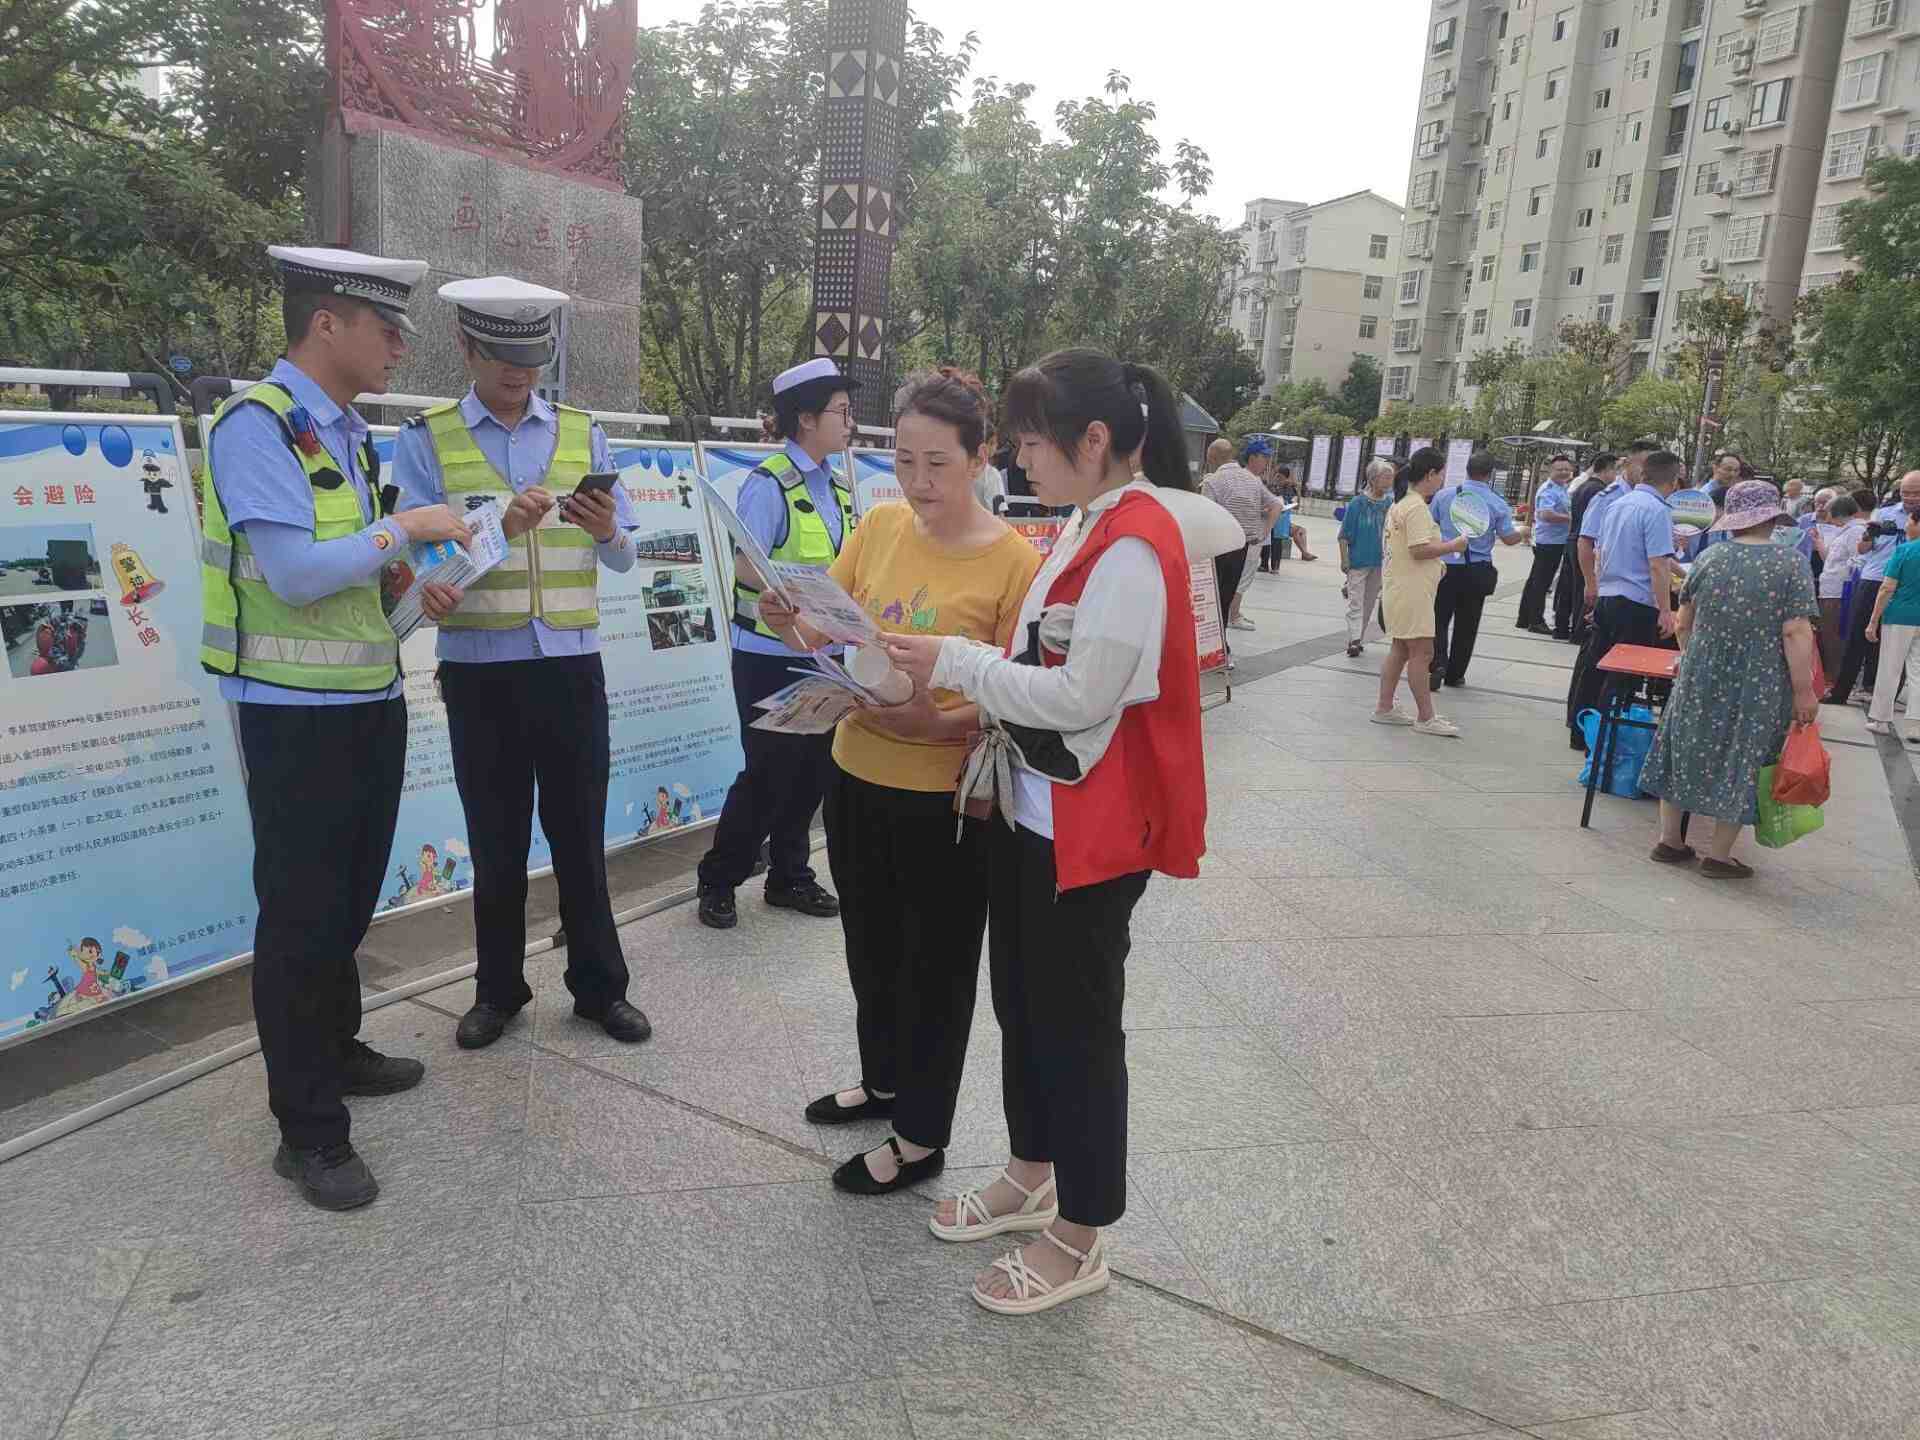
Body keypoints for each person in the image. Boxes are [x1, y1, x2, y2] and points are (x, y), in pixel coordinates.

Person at [879, 348, 1205, 1316]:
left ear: (1092, 440)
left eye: (1029, 443)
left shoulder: (1134, 544)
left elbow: (1079, 697)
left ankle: (1082, 1231)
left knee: (1078, 1031)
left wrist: (957, 660)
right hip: (1036, 814)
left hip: (1089, 833)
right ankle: (1032, 1172)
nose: (1019, 460)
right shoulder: (1088, 522)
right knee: (1025, 1007)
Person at [199, 245, 470, 1211]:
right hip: (292, 717)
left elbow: (351, 578)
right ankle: (307, 1130)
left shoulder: (346, 434)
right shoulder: (257, 426)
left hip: (368, 699)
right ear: (326, 324)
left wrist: (414, 589)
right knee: (300, 919)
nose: (399, 347)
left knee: (348, 902)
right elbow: (294, 574)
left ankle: (335, 1048)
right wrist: (408, 528)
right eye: (385, 329)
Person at [755, 372, 1041, 1194]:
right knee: (869, 946)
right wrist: (789, 619)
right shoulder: (879, 524)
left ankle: (920, 1136)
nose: (918, 482)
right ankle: (883, 1081)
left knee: (935, 967)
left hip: (944, 802)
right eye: (905, 461)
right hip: (855, 772)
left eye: (938, 463)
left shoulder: (1016, 564)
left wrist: (935, 726)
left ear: (981, 458)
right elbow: (827, 624)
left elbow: (1021, 697)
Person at [392, 277, 652, 1051]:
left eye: (534, 357)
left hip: (571, 666)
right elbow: (413, 557)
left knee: (580, 837)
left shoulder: (582, 432)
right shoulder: (427, 438)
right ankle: (497, 991)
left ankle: (601, 989)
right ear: (466, 348)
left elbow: (625, 555)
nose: (521, 372)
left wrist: (605, 531)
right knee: (496, 840)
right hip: (480, 671)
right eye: (504, 356)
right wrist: (491, 530)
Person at [695, 358, 857, 929]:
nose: (850, 423)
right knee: (767, 774)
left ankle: (790, 876)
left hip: (827, 654)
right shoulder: (768, 483)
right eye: (841, 412)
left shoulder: (838, 486)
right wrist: (791, 590)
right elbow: (746, 563)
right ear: (806, 419)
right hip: (769, 656)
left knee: (813, 772)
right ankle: (719, 878)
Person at [1641, 481, 1821, 878]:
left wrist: (1693, 657)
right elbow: (1796, 631)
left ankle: (1670, 841)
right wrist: (1804, 690)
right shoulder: (1791, 563)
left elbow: (1683, 622)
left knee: (1684, 746)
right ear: (1773, 518)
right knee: (1746, 756)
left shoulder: (1709, 558)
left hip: (1700, 673)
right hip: (1760, 682)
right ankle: (1718, 857)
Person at [1566, 449, 1685, 753]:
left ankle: (1582, 734)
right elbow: (1657, 565)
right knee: (1622, 679)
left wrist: (1599, 587)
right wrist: (1665, 610)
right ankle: (1604, 744)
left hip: (1609, 598)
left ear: (1644, 474)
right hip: (1636, 603)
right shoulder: (1656, 510)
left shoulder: (1618, 504)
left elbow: (1601, 552)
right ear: (1673, 482)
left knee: (1596, 670)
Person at [1372, 446, 1467, 736]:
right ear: (1430, 474)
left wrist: (1438, 564)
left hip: (1400, 588)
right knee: (1422, 652)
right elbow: (1418, 549)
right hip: (1411, 592)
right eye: (1441, 474)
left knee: (1401, 648)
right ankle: (1426, 717)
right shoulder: (1415, 508)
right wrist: (1453, 546)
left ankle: (1385, 706)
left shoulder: (1402, 504)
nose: (1442, 480)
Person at [1427, 450, 1527, 689]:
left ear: (1467, 469)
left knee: (1438, 618)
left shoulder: (1444, 496)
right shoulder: (1496, 502)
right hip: (1477, 569)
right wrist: (1523, 531)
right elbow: (1509, 538)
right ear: (1490, 474)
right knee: (1467, 624)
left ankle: (1437, 662)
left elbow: (1431, 525)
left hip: (1445, 567)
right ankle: (1455, 674)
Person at [1827, 472, 1920, 706]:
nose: (1910, 498)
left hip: (1908, 584)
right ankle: (1840, 692)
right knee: (1856, 636)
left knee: (1898, 642)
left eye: (1916, 493)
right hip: (1874, 578)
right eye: (1906, 492)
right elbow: (1862, 549)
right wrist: (1870, 535)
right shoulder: (1885, 513)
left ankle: (1884, 698)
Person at [1201, 436, 1285, 633]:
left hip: (1219, 548)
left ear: (1213, 458)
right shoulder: (1253, 480)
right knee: (1227, 594)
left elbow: (1206, 516)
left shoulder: (1213, 481)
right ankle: (1223, 638)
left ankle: (1213, 640)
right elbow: (1276, 504)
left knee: (1212, 597)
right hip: (1242, 547)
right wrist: (1263, 533)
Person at [1862, 508, 1920, 740]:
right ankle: (1916, 725)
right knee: (1917, 671)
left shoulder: (1904, 550)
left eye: (1910, 521)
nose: (1906, 526)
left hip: (1899, 616)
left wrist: (1873, 620)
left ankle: (1881, 719)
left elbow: (1887, 587)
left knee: (1889, 668)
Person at [1554, 453, 1615, 642]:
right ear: (1607, 470)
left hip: (1573, 539)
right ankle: (1579, 632)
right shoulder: (1600, 491)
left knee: (1567, 587)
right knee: (1585, 588)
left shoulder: (1583, 486)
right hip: (1584, 542)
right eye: (1615, 470)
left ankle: (1561, 628)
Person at [1339, 458, 1393, 657]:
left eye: (1390, 478)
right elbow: (1344, 535)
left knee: (1369, 602)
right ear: (1372, 479)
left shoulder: (1390, 504)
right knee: (1356, 601)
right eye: (1385, 477)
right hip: (1358, 561)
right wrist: (1344, 560)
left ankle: (1358, 637)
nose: (1389, 482)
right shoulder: (1358, 503)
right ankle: (1354, 639)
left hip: (1379, 562)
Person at [1518, 454, 1574, 636]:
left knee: (1535, 580)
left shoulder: (1562, 488)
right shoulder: (1548, 490)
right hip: (1549, 542)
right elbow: (1545, 514)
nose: (1564, 472)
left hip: (1555, 540)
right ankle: (1535, 621)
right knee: (1541, 583)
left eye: (1567, 469)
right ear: (1551, 470)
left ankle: (1524, 618)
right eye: (1559, 469)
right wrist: (1570, 519)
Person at [1813, 494, 1864, 679]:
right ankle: (1831, 674)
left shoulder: (1855, 531)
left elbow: (1858, 560)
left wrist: (1841, 574)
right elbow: (1831, 559)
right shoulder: (1843, 531)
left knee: (1834, 635)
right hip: (1830, 589)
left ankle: (1835, 675)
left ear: (1837, 513)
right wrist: (1819, 543)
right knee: (1828, 633)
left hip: (1840, 591)